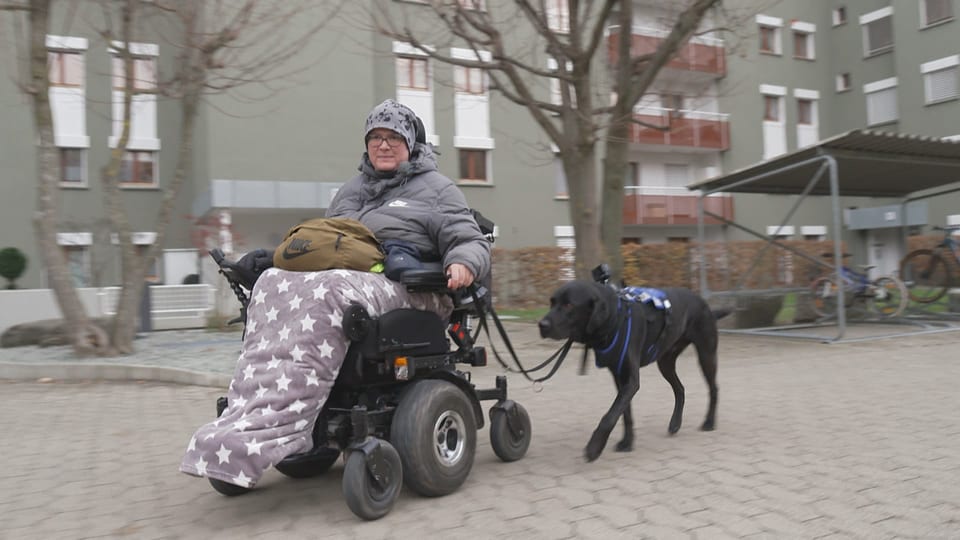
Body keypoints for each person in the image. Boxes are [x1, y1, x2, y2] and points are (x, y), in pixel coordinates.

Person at [180, 99, 491, 489]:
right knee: (273, 283)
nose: (383, 144)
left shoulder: (436, 189)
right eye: (375, 137)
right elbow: (326, 244)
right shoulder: (350, 192)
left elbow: (468, 237)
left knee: (329, 288)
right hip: (352, 282)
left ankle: (286, 423)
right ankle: (254, 416)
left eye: (393, 137)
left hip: (413, 288)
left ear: (411, 143)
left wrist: (463, 261)